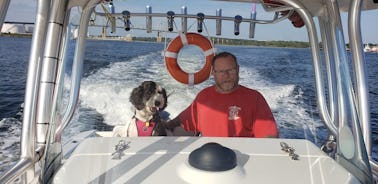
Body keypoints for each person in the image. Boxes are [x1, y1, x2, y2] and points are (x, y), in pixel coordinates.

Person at [166, 51, 278, 138]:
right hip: (209, 157)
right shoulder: (203, 97)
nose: (226, 75)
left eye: (231, 70)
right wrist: (166, 125)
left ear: (238, 69)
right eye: (220, 72)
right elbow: (184, 119)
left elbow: (269, 136)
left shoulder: (255, 99)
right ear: (213, 73)